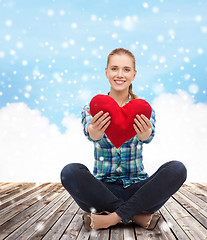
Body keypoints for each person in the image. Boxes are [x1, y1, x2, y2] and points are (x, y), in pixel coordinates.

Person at [61, 48, 187, 231]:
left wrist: (145, 135)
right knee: (70, 171)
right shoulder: (92, 107)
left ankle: (110, 218)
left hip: (140, 191)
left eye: (126, 69)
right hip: (102, 191)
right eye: (114, 68)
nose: (120, 74)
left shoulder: (143, 109)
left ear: (134, 74)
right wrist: (94, 131)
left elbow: (148, 136)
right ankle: (135, 216)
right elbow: (90, 132)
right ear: (106, 72)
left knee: (177, 168)